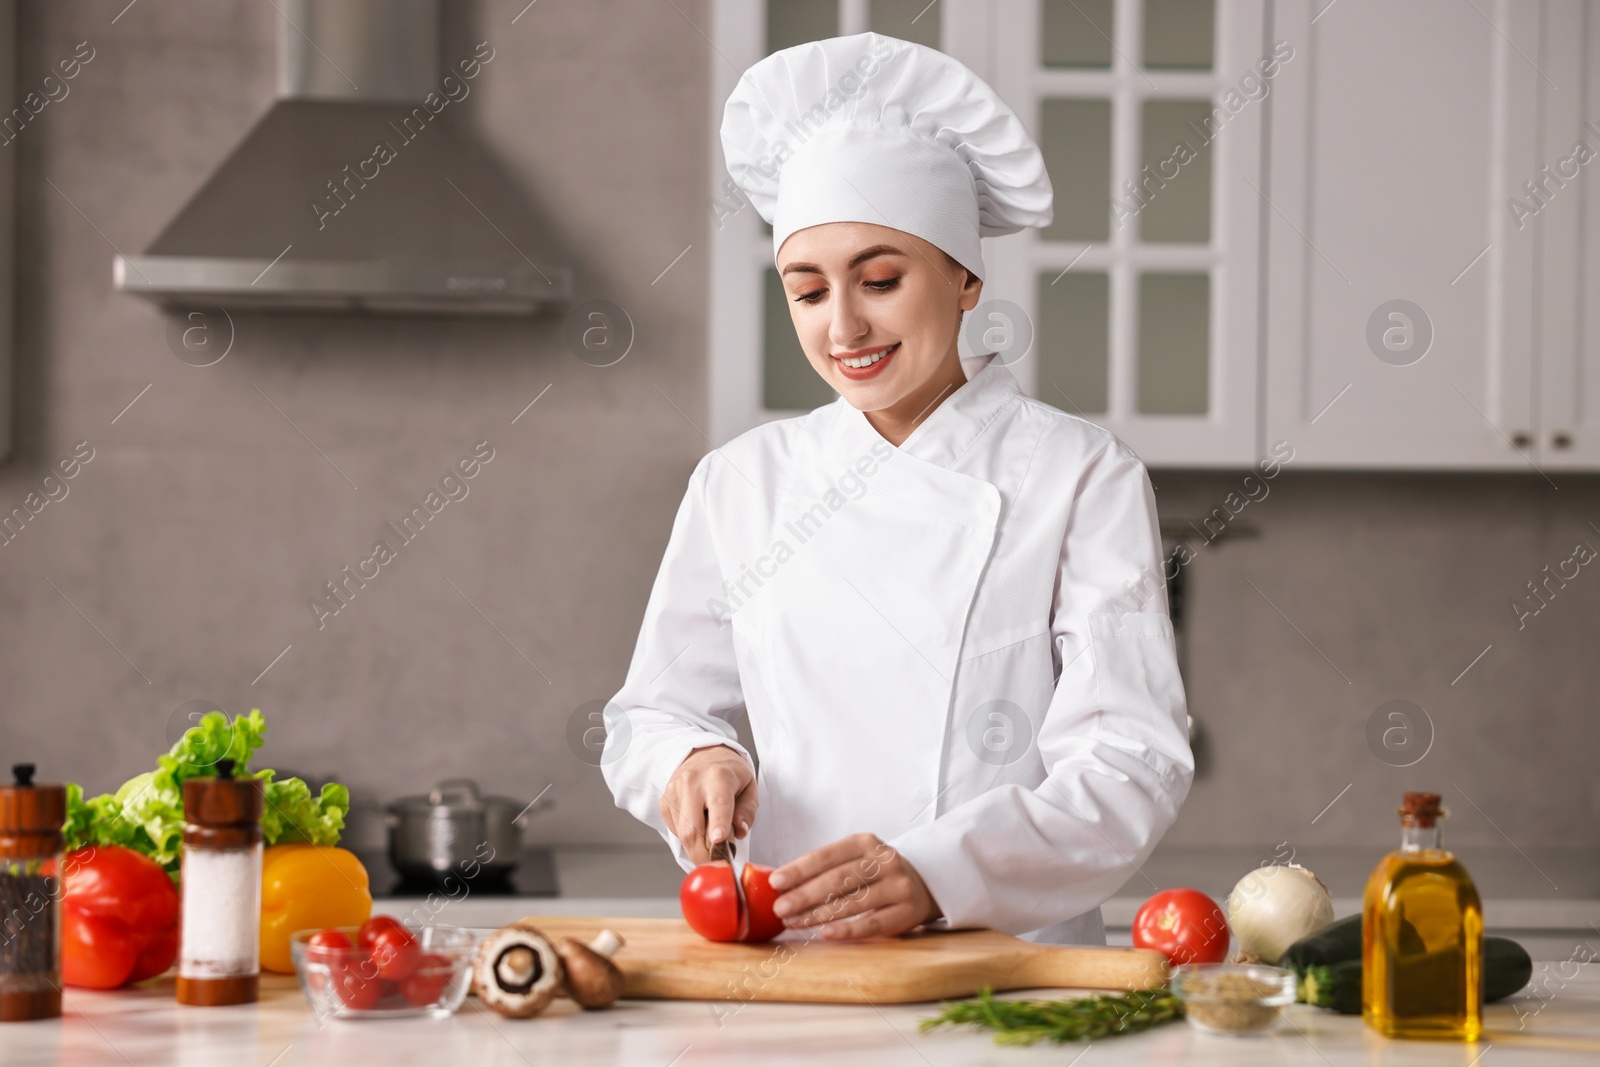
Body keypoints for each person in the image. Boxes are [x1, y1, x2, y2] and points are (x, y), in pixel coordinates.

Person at [602, 32, 1192, 946]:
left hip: (1003, 971)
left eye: (880, 279)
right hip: (793, 965)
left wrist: (941, 870)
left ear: (965, 279)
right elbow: (653, 714)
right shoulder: (742, 483)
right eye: (807, 291)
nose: (844, 326)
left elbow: (1131, 759)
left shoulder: (1078, 475)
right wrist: (694, 757)